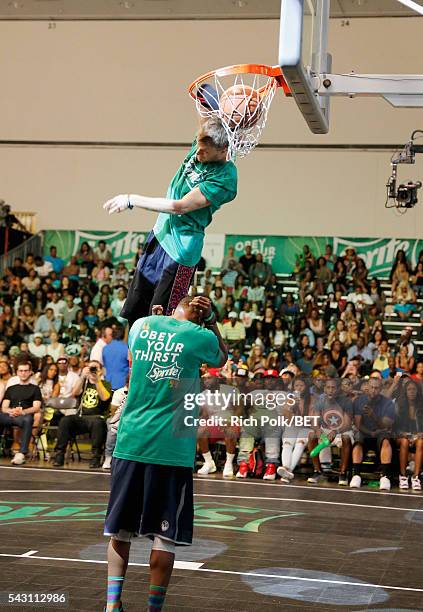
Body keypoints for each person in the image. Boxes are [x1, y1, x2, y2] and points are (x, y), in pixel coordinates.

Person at [103, 295, 227, 612]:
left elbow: (143, 346)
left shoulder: (143, 325)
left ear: (175, 309)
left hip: (132, 440)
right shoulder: (200, 336)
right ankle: (153, 609)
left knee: (120, 530)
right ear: (201, 318)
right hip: (172, 447)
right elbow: (221, 357)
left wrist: (161, 317)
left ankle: (112, 605)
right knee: (164, 537)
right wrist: (212, 319)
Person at [103, 118, 237, 328]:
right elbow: (211, 110)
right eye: (198, 148)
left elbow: (180, 206)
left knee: (161, 321)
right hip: (159, 237)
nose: (198, 154)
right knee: (135, 313)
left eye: (205, 152)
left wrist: (131, 199)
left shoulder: (225, 178)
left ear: (223, 150)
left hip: (180, 253)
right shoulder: (204, 141)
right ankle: (134, 361)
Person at [53, 360, 111, 468]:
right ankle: (59, 454)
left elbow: (105, 397)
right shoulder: (83, 383)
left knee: (97, 423)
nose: (93, 371)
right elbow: (75, 393)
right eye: (91, 368)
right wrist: (82, 377)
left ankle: (95, 457)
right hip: (81, 417)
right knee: (65, 420)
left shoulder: (105, 384)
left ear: (101, 371)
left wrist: (97, 380)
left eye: (95, 368)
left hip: (97, 417)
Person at [351, 377, 395, 490]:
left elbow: (385, 425)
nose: (373, 390)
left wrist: (373, 415)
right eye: (371, 387)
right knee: (358, 441)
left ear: (381, 389)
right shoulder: (359, 400)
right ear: (367, 387)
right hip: (365, 432)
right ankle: (356, 475)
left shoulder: (388, 403)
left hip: (381, 432)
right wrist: (370, 432)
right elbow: (358, 424)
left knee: (386, 441)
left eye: (376, 388)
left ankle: (385, 477)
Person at [0, 361, 42, 465]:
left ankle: (22, 453)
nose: (23, 373)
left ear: (30, 372)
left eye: (26, 371)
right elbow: (4, 407)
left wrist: (22, 412)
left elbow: (36, 407)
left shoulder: (35, 389)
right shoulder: (11, 388)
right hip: (10, 415)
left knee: (28, 419)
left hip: (24, 416)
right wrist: (12, 411)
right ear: (17, 372)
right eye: (21, 371)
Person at [102, 325, 129, 391]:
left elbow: (105, 366)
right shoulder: (126, 349)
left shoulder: (105, 348)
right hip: (122, 384)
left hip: (108, 382)